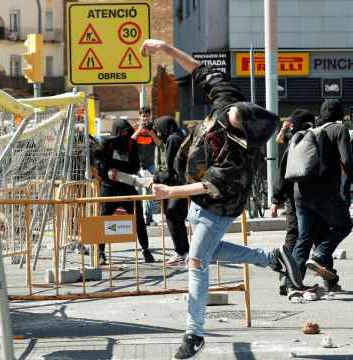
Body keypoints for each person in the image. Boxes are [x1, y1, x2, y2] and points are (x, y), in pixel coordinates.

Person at [141, 39, 303, 360]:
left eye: (235, 116)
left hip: (218, 208)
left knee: (197, 262)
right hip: (199, 206)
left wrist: (169, 192)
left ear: (241, 130)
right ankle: (274, 258)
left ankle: (194, 333)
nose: (231, 112)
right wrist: (168, 49)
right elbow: (201, 71)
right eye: (233, 111)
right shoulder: (230, 101)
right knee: (205, 253)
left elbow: (206, 186)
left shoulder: (238, 159)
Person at [291, 99, 353, 292]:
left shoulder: (309, 131)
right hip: (324, 192)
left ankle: (291, 283)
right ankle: (319, 256)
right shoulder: (338, 129)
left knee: (305, 237)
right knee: (344, 225)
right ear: (340, 114)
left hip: (300, 191)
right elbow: (347, 160)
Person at [271, 109, 325, 294]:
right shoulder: (312, 140)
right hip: (308, 198)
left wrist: (277, 199)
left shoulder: (294, 142)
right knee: (303, 237)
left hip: (295, 199)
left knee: (296, 236)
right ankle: (290, 279)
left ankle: (288, 278)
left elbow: (281, 174)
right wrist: (276, 199)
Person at [95, 119, 154, 264]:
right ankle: (101, 253)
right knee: (103, 220)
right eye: (123, 132)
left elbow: (135, 165)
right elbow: (98, 163)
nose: (125, 135)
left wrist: (125, 173)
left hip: (127, 187)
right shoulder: (107, 144)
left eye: (128, 132)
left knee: (139, 218)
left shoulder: (131, 144)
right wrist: (107, 171)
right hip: (109, 188)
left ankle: (146, 250)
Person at [151, 115, 190, 267]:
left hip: (179, 185)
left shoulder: (173, 139)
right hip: (181, 184)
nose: (158, 132)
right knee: (175, 216)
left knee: (173, 214)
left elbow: (171, 167)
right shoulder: (179, 136)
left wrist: (156, 178)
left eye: (159, 129)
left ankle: (182, 252)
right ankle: (183, 251)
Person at [132, 107, 158, 226]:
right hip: (136, 165)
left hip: (150, 165)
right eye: (143, 116)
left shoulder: (154, 128)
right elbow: (131, 140)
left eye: (147, 116)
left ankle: (149, 218)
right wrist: (139, 130)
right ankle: (137, 218)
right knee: (137, 192)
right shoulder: (134, 127)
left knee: (149, 192)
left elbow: (158, 143)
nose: (145, 118)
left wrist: (150, 132)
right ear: (140, 117)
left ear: (150, 116)